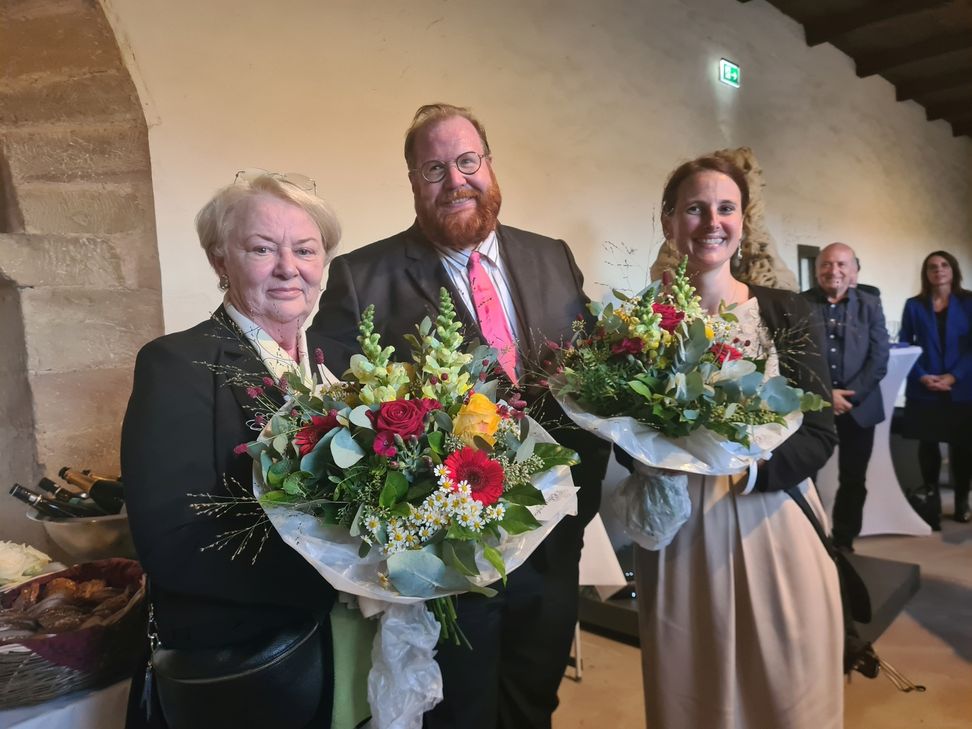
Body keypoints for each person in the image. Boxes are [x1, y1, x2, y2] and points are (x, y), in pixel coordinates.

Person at [310, 103, 610, 729]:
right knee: (459, 713)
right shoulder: (363, 278)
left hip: (554, 538)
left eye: (467, 161)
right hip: (450, 556)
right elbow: (334, 409)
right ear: (414, 183)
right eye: (433, 169)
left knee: (535, 700)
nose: (456, 181)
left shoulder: (551, 257)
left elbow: (590, 382)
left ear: (490, 165)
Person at [121, 173, 353, 728]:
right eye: (260, 249)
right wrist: (348, 575)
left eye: (305, 250)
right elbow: (173, 542)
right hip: (257, 661)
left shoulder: (348, 361)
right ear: (219, 260)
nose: (287, 268)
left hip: (359, 643)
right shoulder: (175, 365)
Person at [634, 156, 842, 729]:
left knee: (783, 684)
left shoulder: (784, 310)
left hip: (769, 517)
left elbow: (821, 431)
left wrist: (744, 468)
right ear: (669, 221)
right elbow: (624, 426)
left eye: (726, 208)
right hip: (679, 527)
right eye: (694, 209)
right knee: (691, 685)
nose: (711, 222)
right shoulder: (642, 322)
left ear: (743, 222)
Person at [801, 242, 890, 550]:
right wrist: (826, 395)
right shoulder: (798, 304)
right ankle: (810, 536)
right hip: (812, 406)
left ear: (854, 270)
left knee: (854, 478)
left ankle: (843, 540)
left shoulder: (870, 304)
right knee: (804, 474)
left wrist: (849, 396)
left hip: (859, 406)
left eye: (841, 265)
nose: (833, 271)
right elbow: (793, 358)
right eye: (826, 264)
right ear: (816, 269)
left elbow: (879, 357)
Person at [898, 250, 972, 524]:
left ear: (953, 270)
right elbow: (905, 344)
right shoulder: (914, 305)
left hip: (963, 387)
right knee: (927, 445)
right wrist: (921, 375)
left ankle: (962, 499)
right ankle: (933, 501)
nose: (938, 270)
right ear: (926, 273)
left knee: (962, 446)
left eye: (944, 265)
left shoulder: (969, 302)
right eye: (932, 266)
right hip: (924, 386)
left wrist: (954, 376)